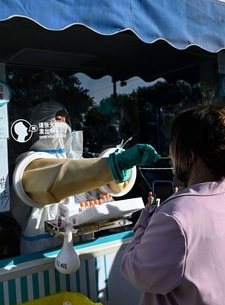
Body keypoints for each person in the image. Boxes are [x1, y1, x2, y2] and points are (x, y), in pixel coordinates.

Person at [121, 103, 225, 305]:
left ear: (190, 155)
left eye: (173, 145)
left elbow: (136, 271)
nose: (170, 152)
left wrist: (146, 219)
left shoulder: (175, 215)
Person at [12, 100, 161, 254]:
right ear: (40, 124)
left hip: (81, 244)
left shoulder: (75, 160)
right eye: (57, 119)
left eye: (65, 119)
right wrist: (112, 165)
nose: (62, 123)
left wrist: (122, 173)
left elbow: (97, 181)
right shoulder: (30, 163)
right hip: (41, 248)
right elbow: (60, 176)